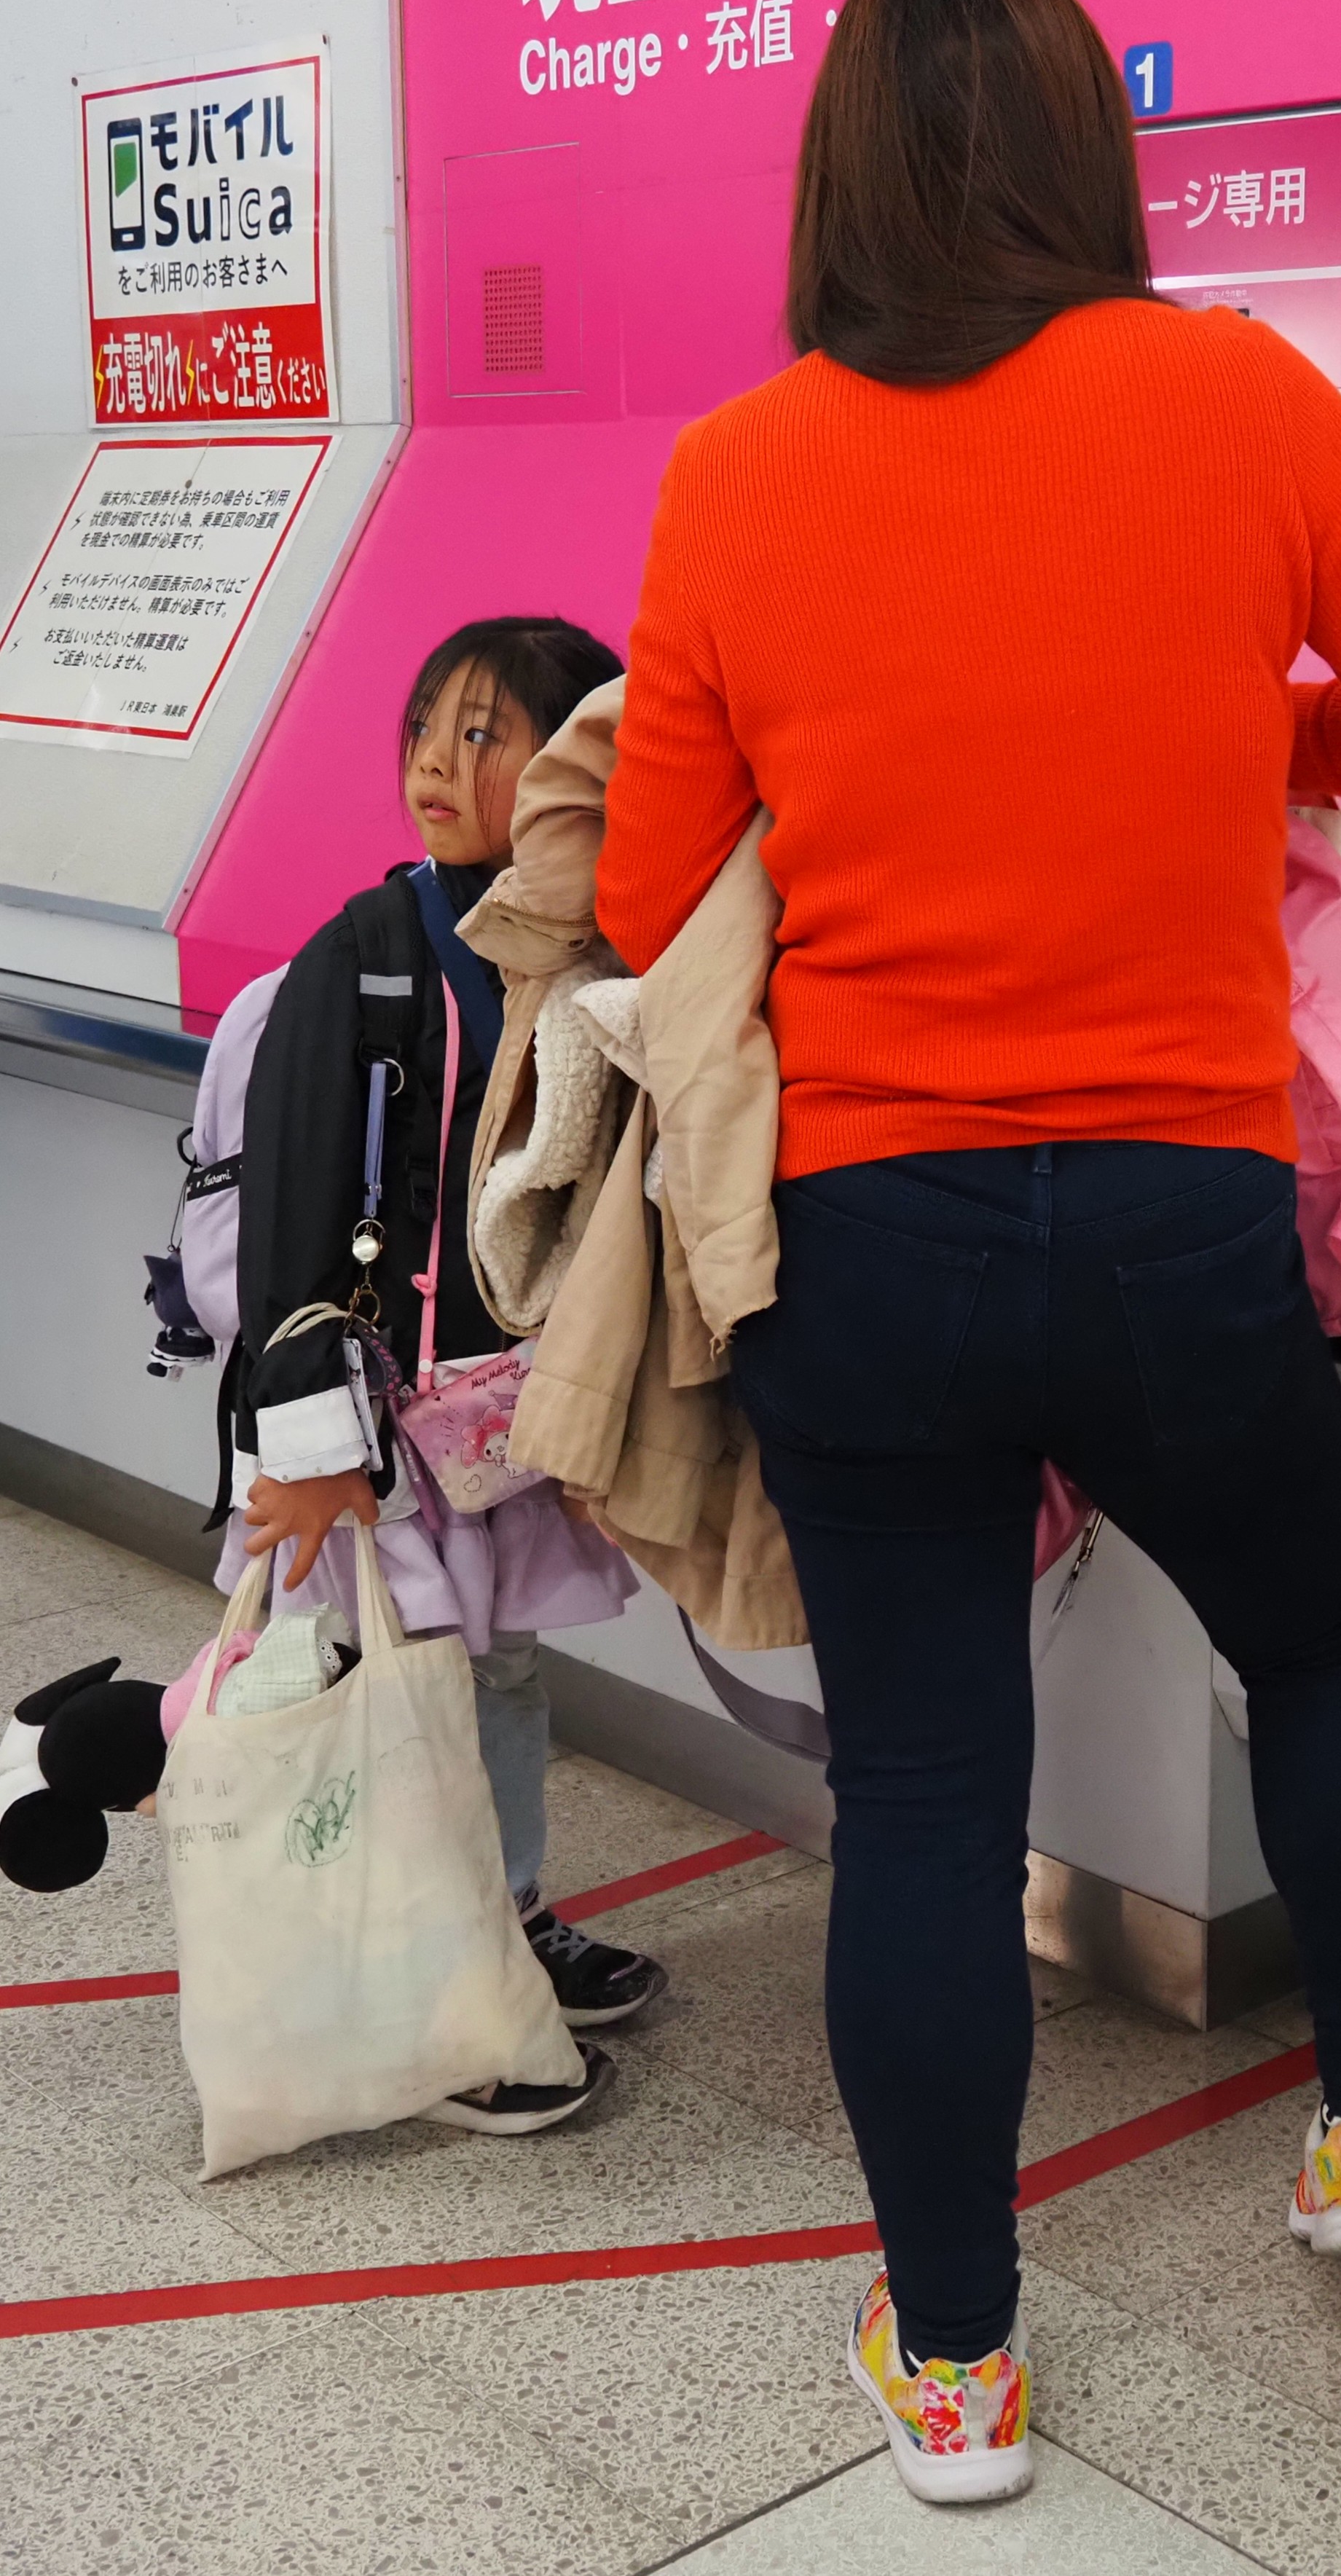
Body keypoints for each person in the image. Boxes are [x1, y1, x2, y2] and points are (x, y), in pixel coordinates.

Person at [599, 0, 1341, 2500]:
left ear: (835, 174)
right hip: (1171, 1219)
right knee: (1319, 1651)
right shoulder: (1234, 399)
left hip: (864, 1239)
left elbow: (653, 898)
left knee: (926, 1793)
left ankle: (954, 2375)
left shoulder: (733, 468)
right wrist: (1240, 718)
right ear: (1081, 154)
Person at [226, 616, 669, 2135]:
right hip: (376, 1426)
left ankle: (510, 1919)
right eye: (428, 727)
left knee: (499, 1671)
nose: (437, 761)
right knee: (404, 1687)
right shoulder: (368, 951)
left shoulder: (595, 945)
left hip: (506, 1416)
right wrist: (306, 1448)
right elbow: (294, 1204)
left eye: (487, 736)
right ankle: (444, 2007)